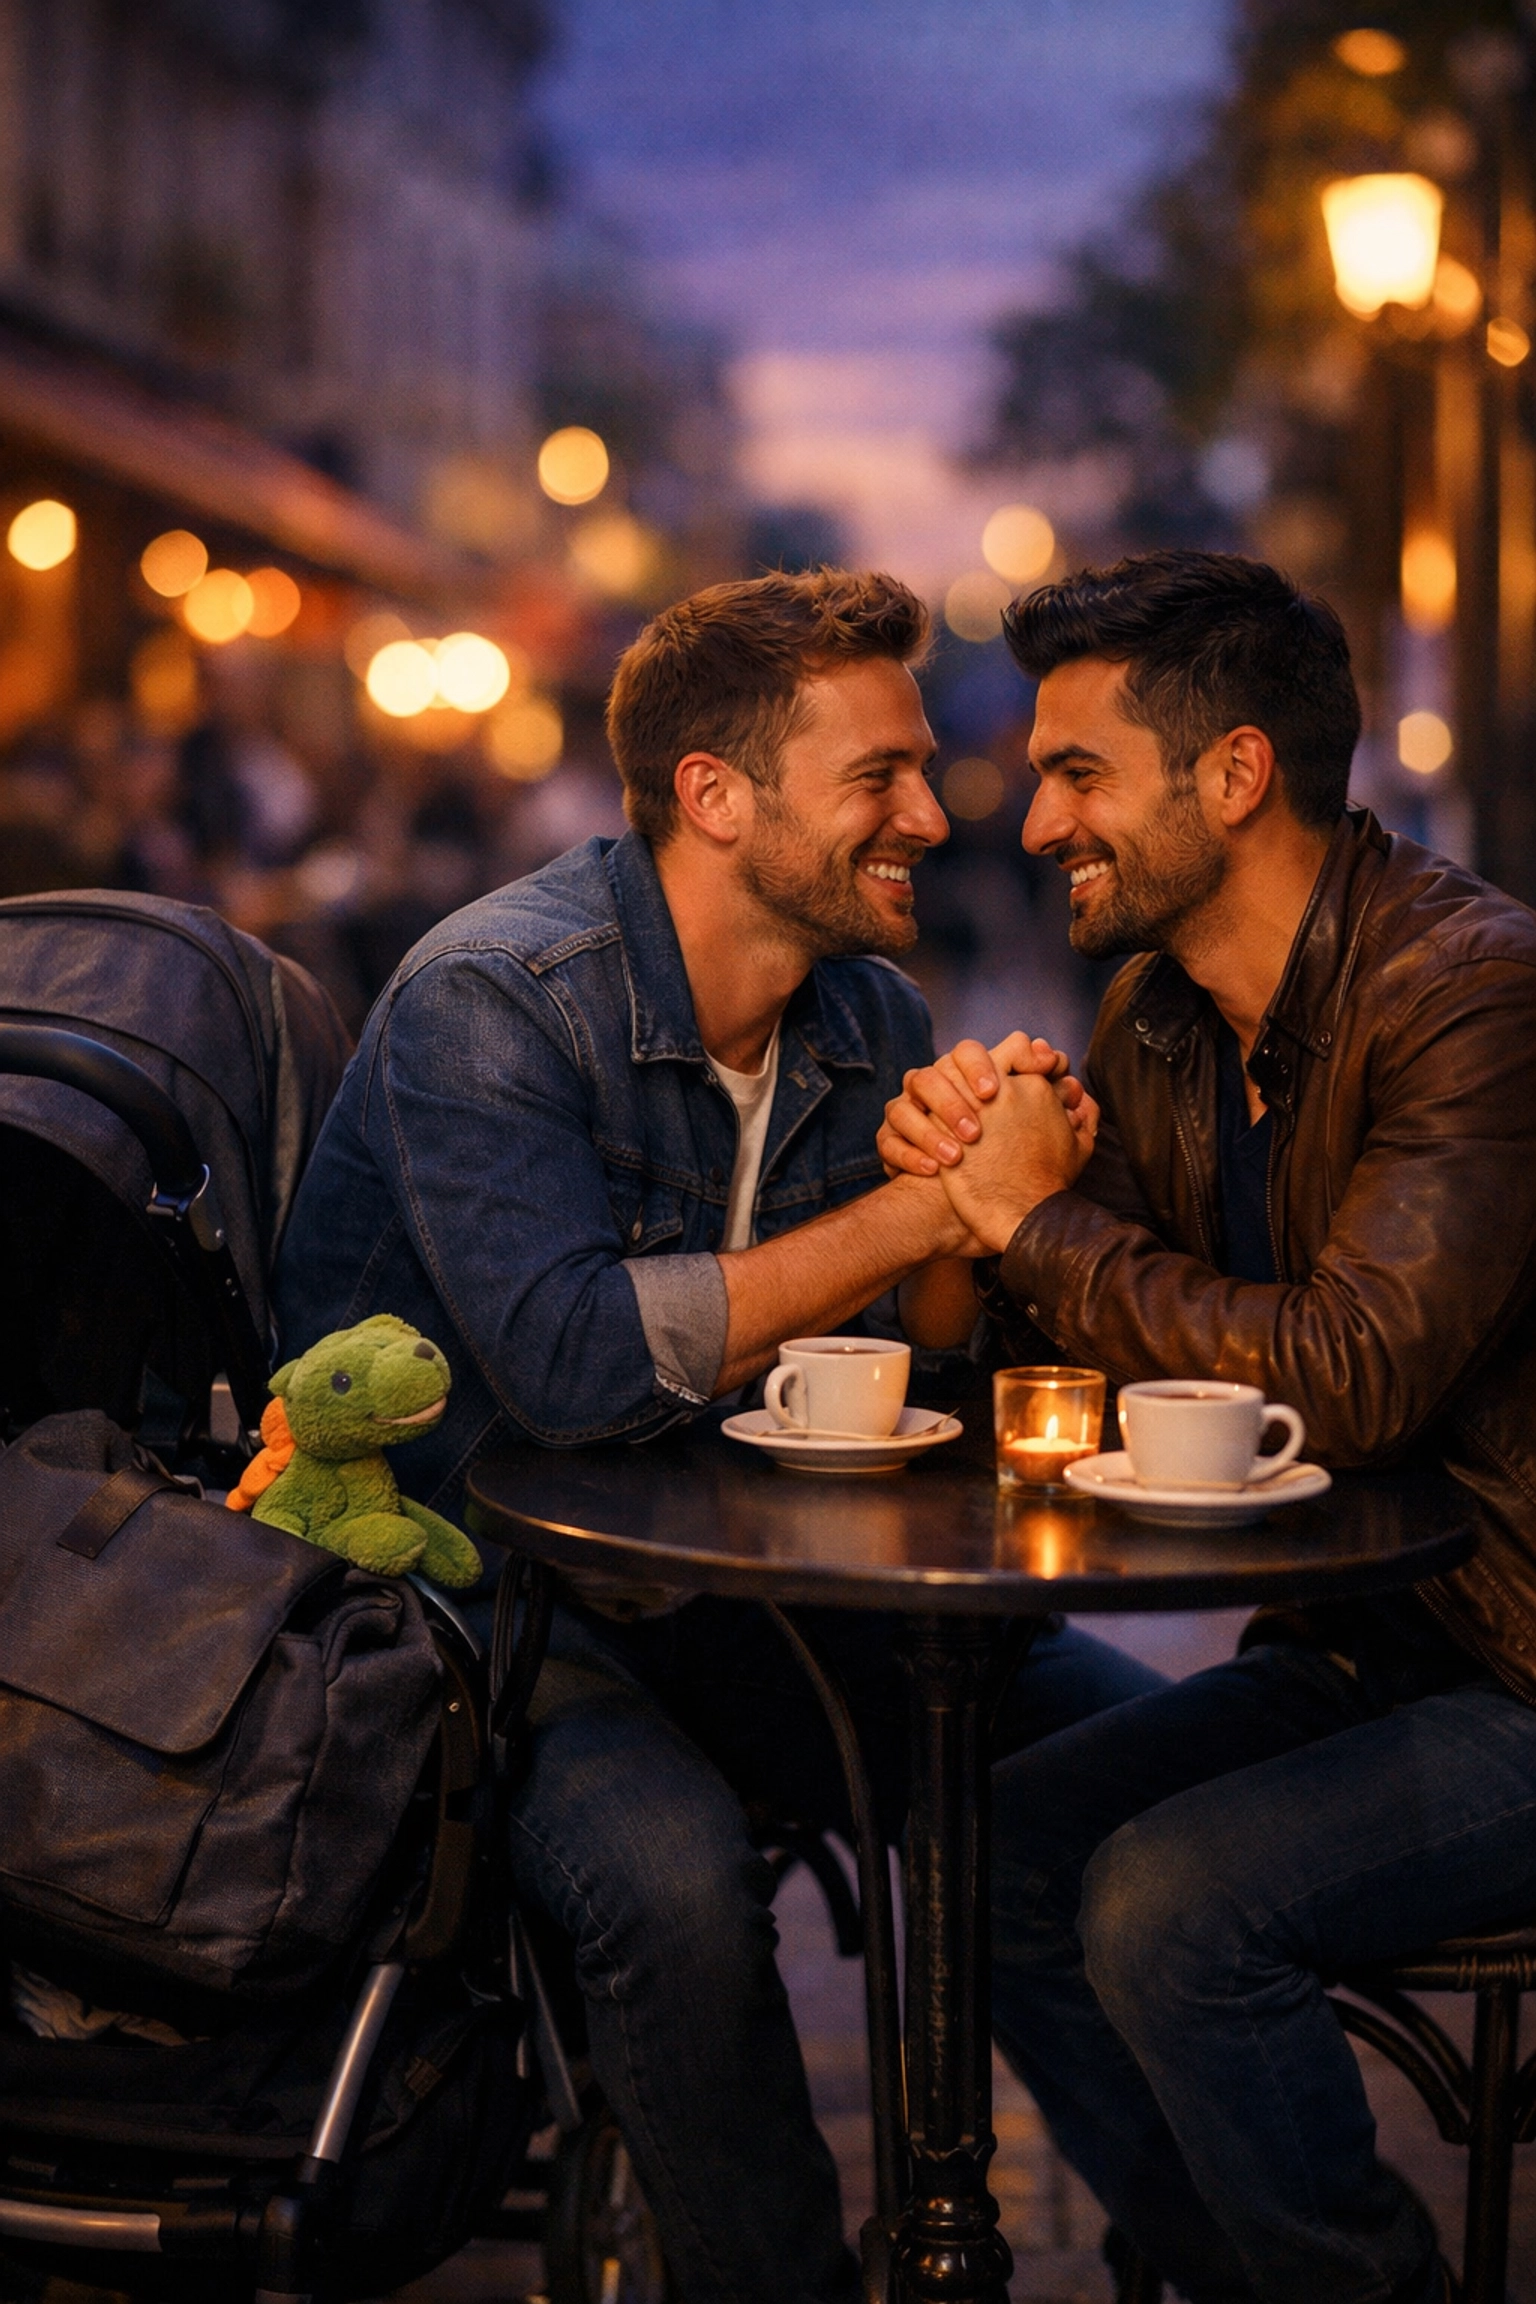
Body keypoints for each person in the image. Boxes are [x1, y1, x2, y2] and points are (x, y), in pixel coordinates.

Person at [277, 567, 1159, 2304]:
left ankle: (1217, 2254)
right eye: (879, 776)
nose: (933, 815)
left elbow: (914, 1383)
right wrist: (926, 1213)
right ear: (715, 794)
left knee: (1125, 1775)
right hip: (479, 1613)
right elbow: (575, 1366)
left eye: (922, 769)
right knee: (674, 1886)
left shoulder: (866, 1017)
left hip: (750, 1584)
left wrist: (996, 1198)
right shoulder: (496, 998)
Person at [878, 547, 1536, 2304]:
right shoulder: (1165, 1017)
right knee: (993, 1852)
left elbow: (1356, 1372)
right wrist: (961, 1199)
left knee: (1169, 1905)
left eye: (1078, 773)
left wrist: (1037, 1223)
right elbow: (1075, 1362)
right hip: (1367, 1646)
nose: (1037, 824)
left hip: (1522, 1667)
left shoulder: (1474, 993)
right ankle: (1238, 2271)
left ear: (1235, 774)